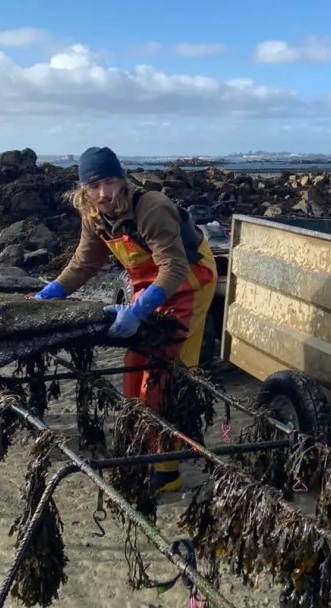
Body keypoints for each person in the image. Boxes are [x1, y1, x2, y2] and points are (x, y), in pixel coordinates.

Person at [34, 146, 218, 493]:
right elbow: (86, 262)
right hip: (149, 285)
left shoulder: (151, 207)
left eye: (110, 181)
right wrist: (53, 291)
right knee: (134, 365)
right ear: (83, 190)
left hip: (189, 281)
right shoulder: (93, 214)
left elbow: (174, 267)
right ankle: (140, 448)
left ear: (122, 179)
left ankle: (166, 470)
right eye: (94, 185)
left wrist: (138, 309)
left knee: (165, 372)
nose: (103, 193)